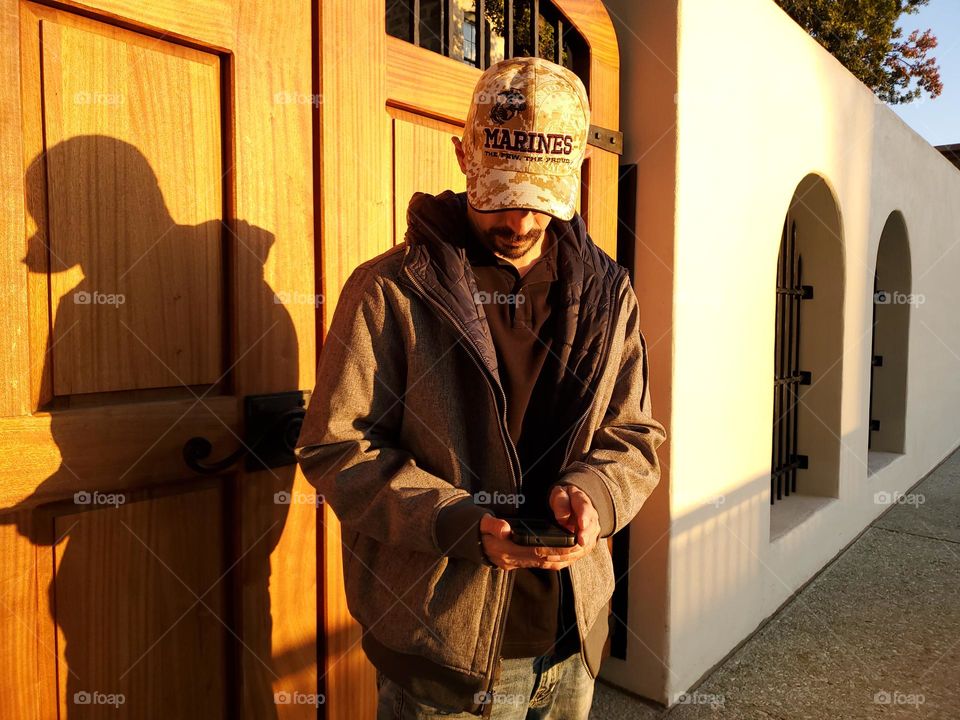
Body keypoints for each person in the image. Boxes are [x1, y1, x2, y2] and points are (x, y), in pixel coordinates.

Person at [295, 56, 666, 719]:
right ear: (463, 156)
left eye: (539, 200)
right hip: (439, 651)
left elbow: (634, 435)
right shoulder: (388, 289)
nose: (519, 223)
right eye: (500, 195)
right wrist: (459, 524)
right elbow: (337, 447)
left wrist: (595, 496)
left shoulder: (611, 293)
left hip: (573, 642)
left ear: (577, 171)